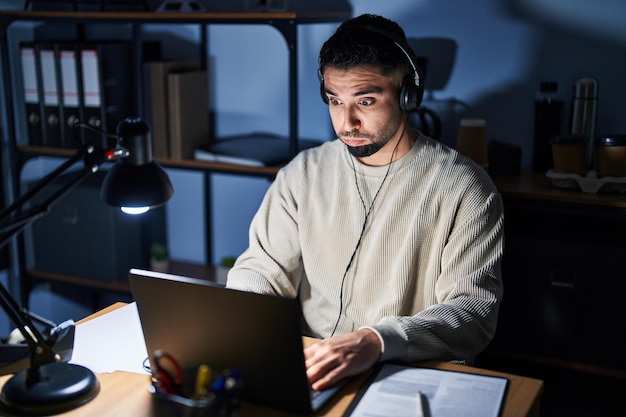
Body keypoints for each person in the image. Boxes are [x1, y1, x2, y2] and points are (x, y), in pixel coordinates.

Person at [226, 13, 504, 392]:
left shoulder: (465, 188)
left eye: (366, 100)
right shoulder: (301, 173)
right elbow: (263, 268)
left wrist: (376, 341)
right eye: (334, 100)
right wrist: (238, 321)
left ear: (408, 93)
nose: (347, 123)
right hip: (314, 366)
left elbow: (473, 315)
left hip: (409, 372)